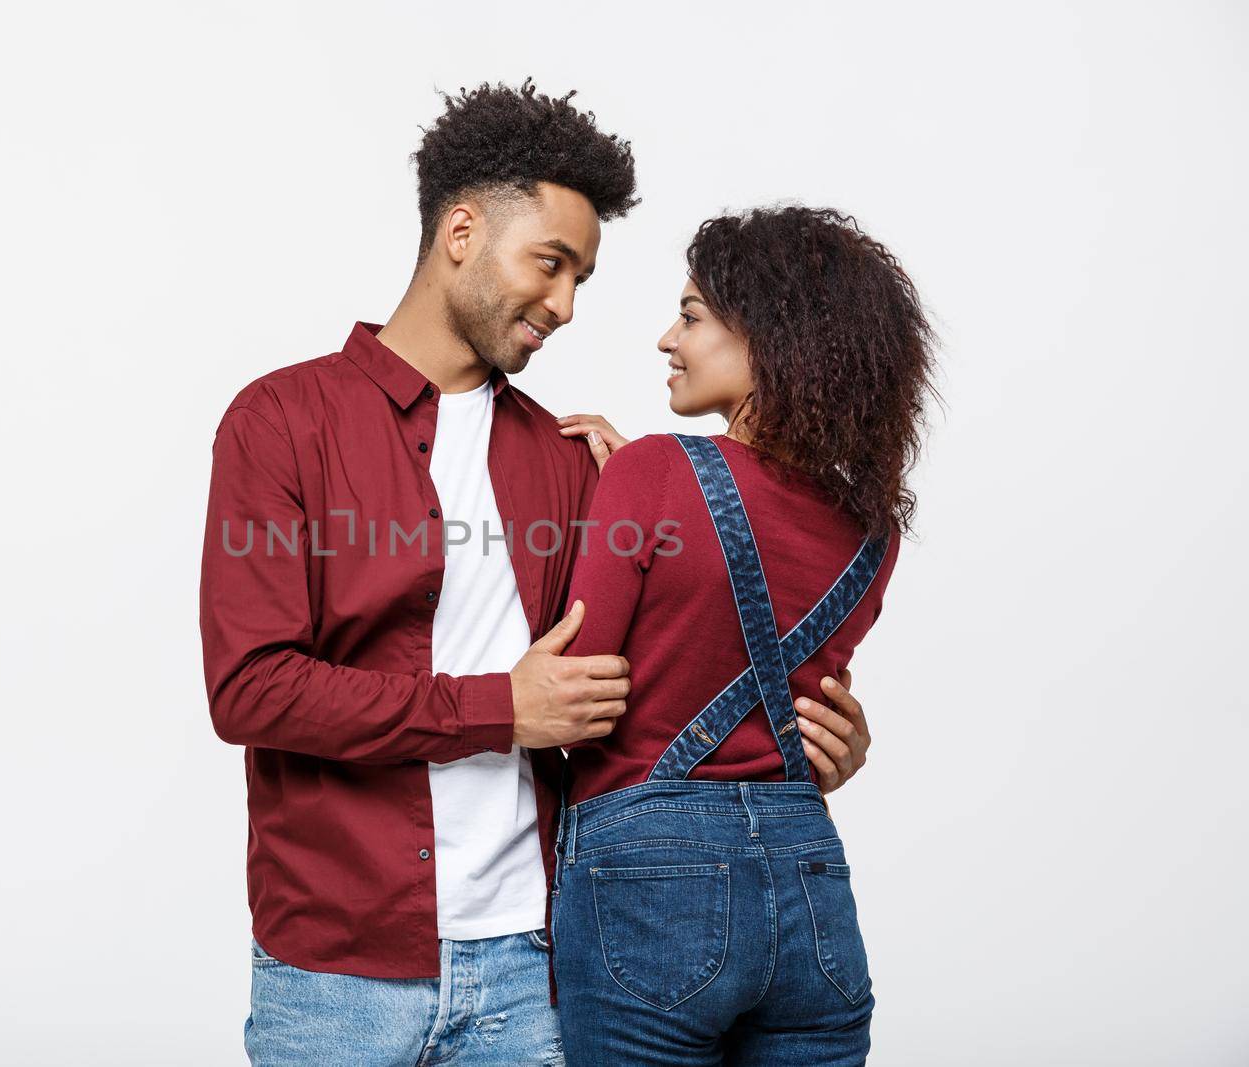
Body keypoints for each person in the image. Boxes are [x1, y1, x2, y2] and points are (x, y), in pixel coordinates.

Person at [201, 79, 875, 1063]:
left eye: (580, 281)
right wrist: (496, 707)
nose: (562, 306)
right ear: (462, 233)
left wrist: (802, 740)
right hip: (336, 975)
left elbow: (644, 704)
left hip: (536, 967)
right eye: (549, 264)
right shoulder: (281, 422)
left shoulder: (572, 462)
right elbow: (251, 688)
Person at [549, 207, 937, 1065]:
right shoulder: (871, 532)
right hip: (810, 887)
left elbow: (571, 700)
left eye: (691, 316)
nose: (665, 338)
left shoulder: (652, 470)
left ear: (770, 338)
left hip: (649, 885)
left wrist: (631, 499)